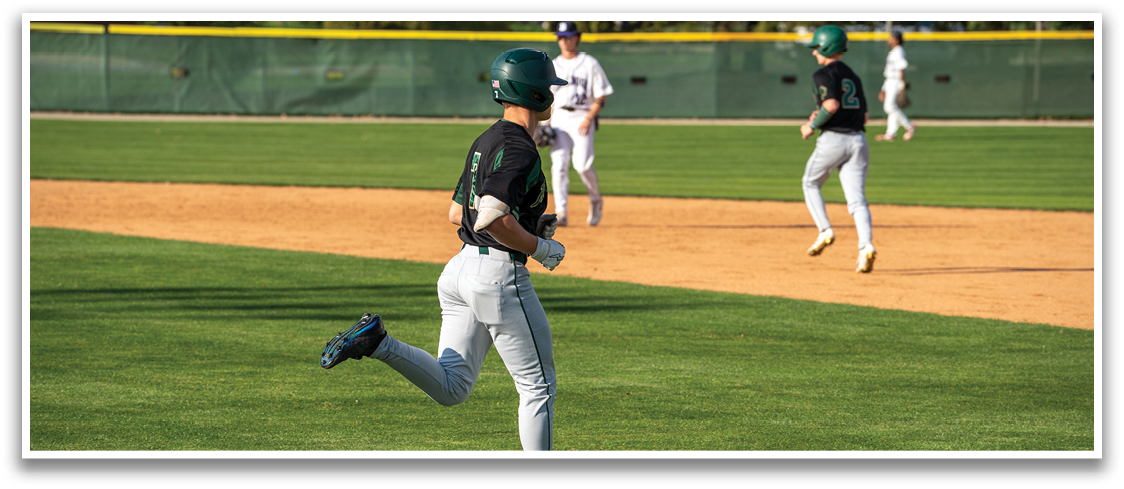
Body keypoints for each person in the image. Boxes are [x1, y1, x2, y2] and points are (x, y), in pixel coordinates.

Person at [319, 48, 569, 451]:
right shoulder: (520, 148)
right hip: (497, 278)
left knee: (453, 387)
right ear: (536, 92)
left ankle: (377, 342)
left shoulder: (487, 139)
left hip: (459, 272)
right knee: (537, 387)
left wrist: (527, 224)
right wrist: (540, 247)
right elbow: (491, 219)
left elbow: (458, 213)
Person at [799, 25, 877, 273]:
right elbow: (864, 117)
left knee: (810, 183)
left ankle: (825, 230)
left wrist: (812, 125)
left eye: (816, 47)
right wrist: (822, 114)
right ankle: (866, 246)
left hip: (834, 139)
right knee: (857, 200)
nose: (814, 52)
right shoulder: (853, 76)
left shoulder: (822, 74)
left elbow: (831, 105)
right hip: (858, 141)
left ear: (826, 47)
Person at [546, 21, 614, 226]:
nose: (563, 41)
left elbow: (601, 95)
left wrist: (589, 119)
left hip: (583, 115)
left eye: (567, 37)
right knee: (559, 165)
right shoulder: (553, 65)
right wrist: (545, 124)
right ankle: (561, 211)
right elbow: (548, 98)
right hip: (559, 117)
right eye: (560, 37)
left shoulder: (589, 63)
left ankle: (595, 199)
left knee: (582, 166)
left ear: (577, 38)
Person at [875, 31, 916, 142]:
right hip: (890, 81)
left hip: (895, 81)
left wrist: (901, 84)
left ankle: (909, 125)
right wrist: (883, 89)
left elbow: (902, 68)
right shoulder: (893, 51)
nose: (889, 39)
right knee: (893, 107)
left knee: (889, 107)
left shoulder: (898, 52)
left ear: (896, 40)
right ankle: (890, 133)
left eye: (891, 37)